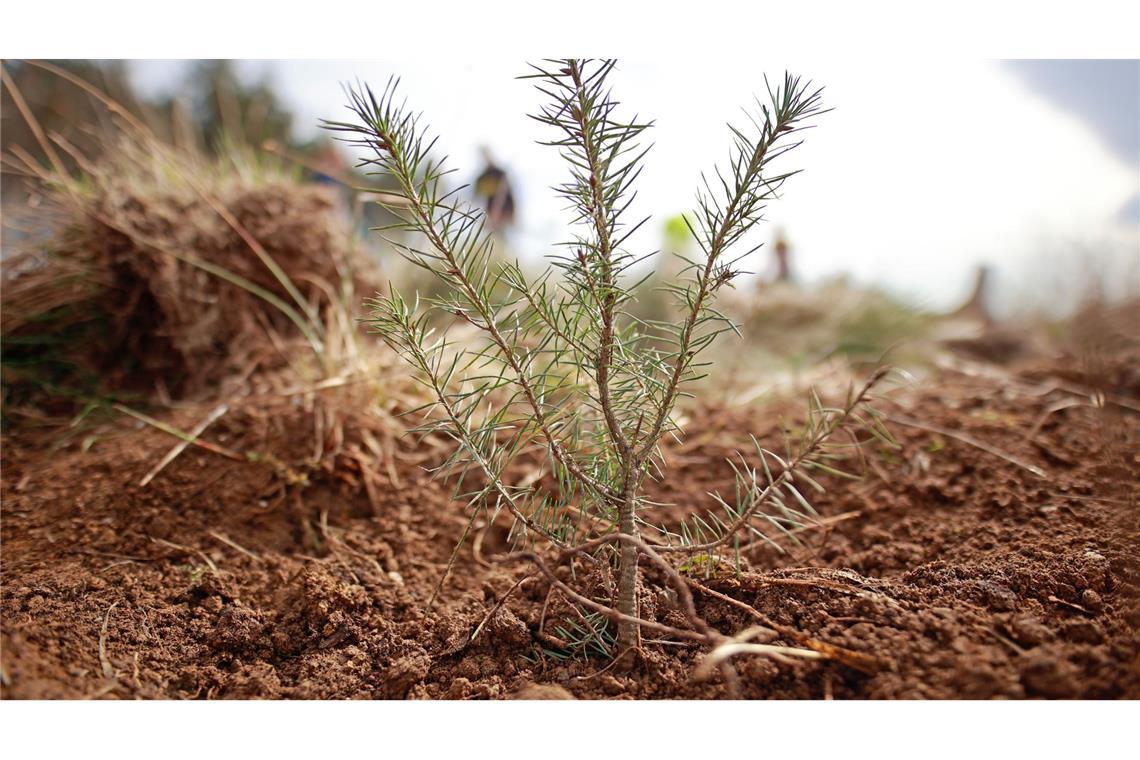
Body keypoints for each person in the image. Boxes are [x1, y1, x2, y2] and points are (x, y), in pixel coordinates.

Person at [473, 147, 516, 231]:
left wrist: (496, 216)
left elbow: (502, 195)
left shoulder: (500, 174)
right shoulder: (481, 178)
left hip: (505, 214)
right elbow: (475, 198)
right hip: (491, 218)